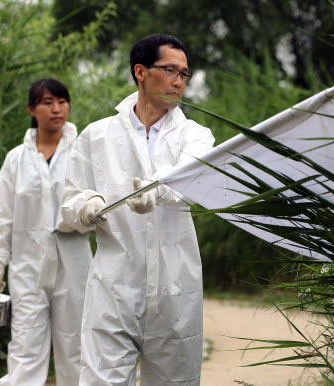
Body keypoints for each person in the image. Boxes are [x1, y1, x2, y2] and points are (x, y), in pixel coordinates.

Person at [61, 34, 215, 385]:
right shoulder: (96, 136)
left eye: (185, 74)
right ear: (141, 71)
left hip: (175, 290)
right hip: (114, 288)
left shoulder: (195, 135)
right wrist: (85, 206)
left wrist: (156, 190)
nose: (179, 81)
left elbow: (192, 176)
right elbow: (70, 198)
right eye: (170, 70)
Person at [0, 78, 93, 386]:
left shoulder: (82, 154)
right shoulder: (16, 159)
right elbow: (2, 212)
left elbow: (95, 202)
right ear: (32, 109)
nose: (56, 109)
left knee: (75, 344)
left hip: (73, 261)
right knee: (26, 341)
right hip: (28, 264)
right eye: (47, 103)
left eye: (62, 101)